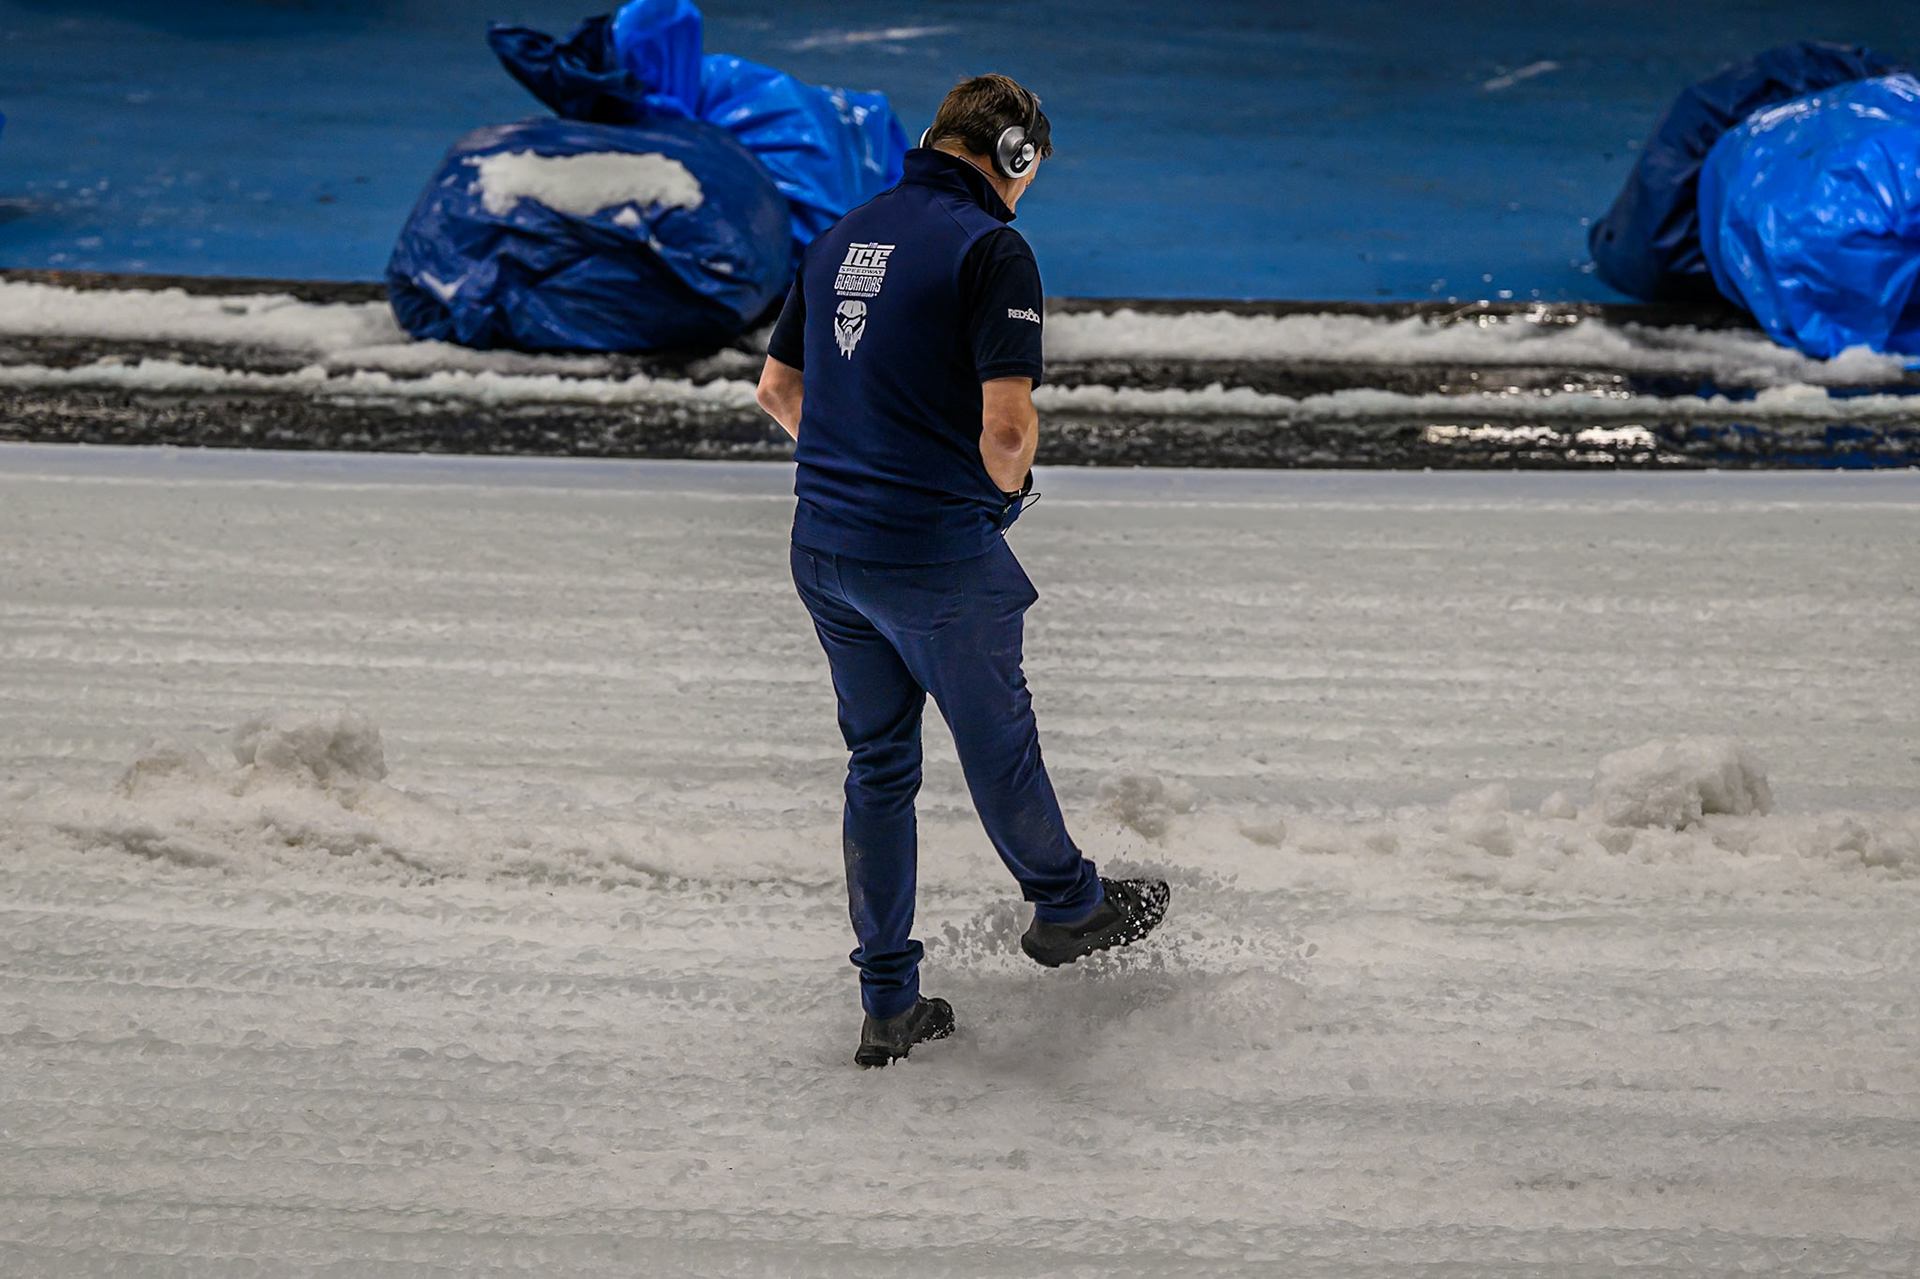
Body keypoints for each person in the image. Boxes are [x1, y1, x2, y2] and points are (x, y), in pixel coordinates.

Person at [755, 74, 1170, 1068]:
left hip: (826, 548)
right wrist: (996, 495)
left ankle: (889, 1000)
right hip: (932, 553)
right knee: (998, 740)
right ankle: (1069, 905)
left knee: (880, 763)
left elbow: (777, 390)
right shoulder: (992, 248)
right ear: (1016, 156)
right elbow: (1009, 427)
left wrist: (862, 469)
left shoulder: (839, 235)